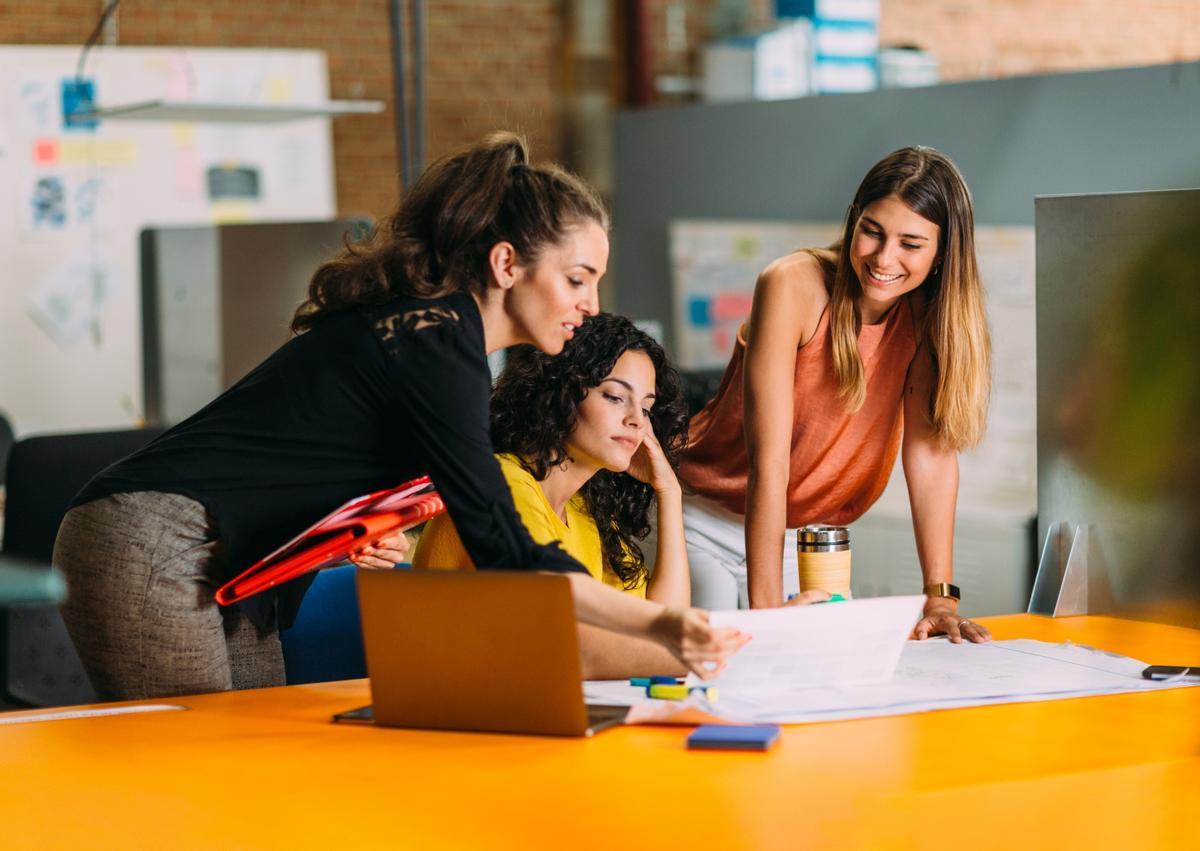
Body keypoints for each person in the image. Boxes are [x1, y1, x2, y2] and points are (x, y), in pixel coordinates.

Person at [54, 133, 747, 701]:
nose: (591, 304)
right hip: (156, 542)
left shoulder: (445, 344)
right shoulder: (439, 340)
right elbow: (508, 551)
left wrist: (347, 531)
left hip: (241, 568)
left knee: (254, 775)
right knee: (195, 778)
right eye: (576, 278)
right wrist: (665, 626)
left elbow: (311, 458)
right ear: (508, 263)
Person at [677, 146, 993, 644]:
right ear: (853, 221)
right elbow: (770, 460)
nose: (884, 259)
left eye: (910, 243)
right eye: (872, 231)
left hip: (800, 538)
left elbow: (930, 456)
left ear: (942, 252)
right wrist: (767, 611)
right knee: (716, 664)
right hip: (702, 518)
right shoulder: (793, 284)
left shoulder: (929, 320)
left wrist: (940, 597)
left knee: (809, 678)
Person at [413, 314, 816, 676]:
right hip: (455, 721)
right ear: (560, 393)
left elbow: (660, 621)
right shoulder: (501, 482)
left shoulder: (586, 512)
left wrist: (669, 492)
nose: (635, 420)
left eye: (646, 407)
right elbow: (576, 650)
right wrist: (758, 644)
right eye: (614, 396)